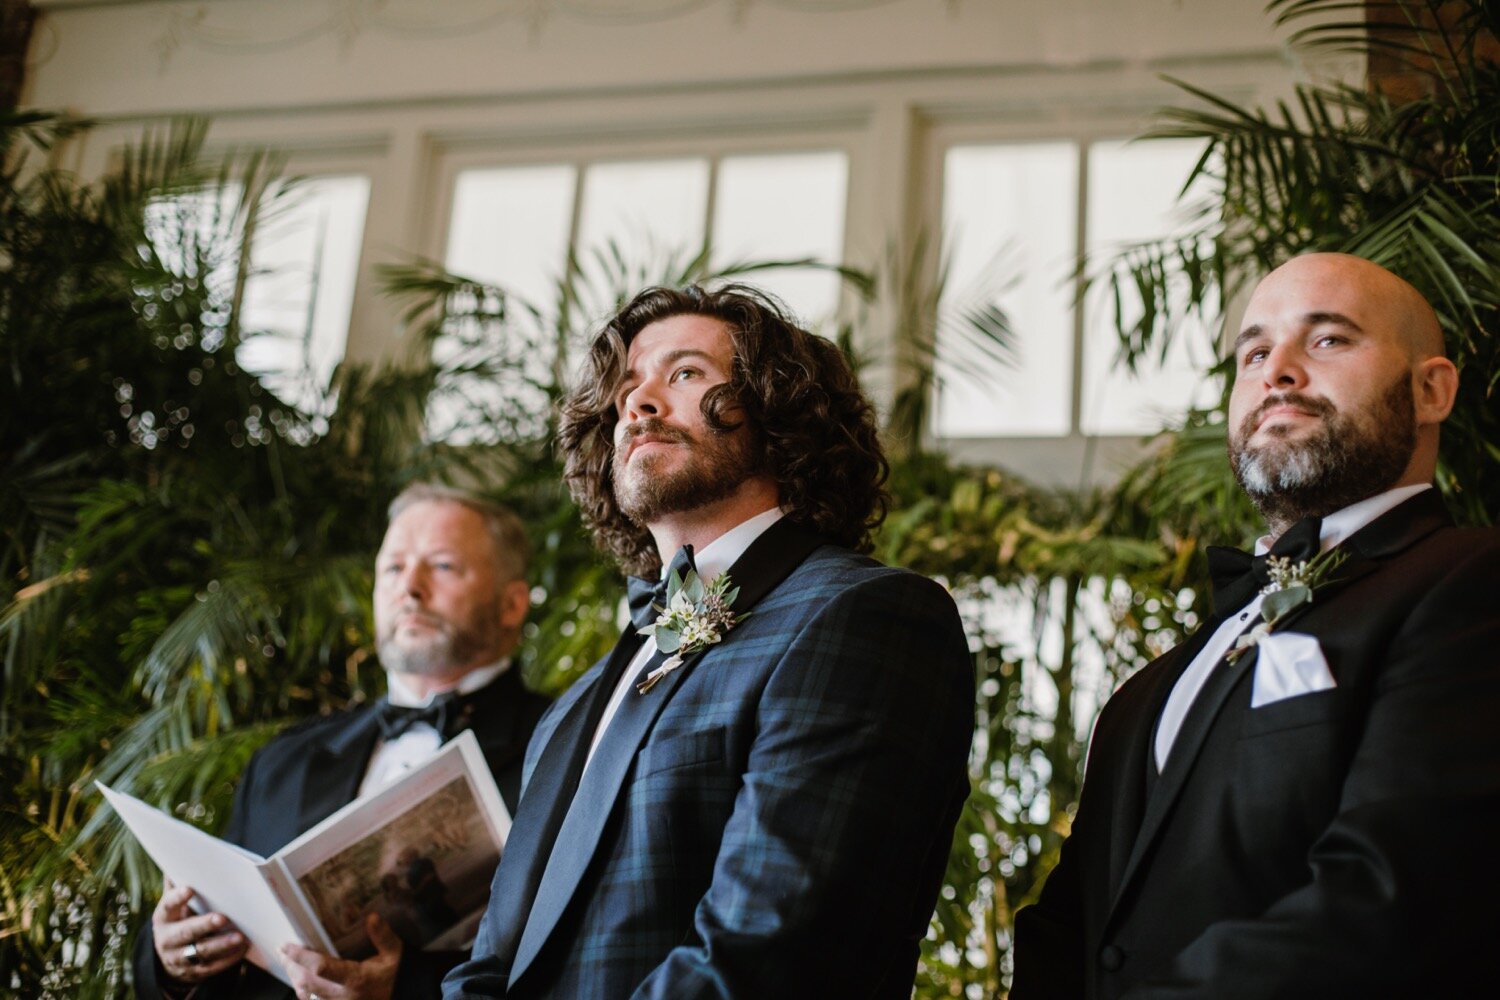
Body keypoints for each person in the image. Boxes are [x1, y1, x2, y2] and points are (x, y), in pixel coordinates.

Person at [443, 284, 974, 998]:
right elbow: (494, 962)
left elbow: (769, 953)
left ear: (780, 409)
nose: (639, 403)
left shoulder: (867, 615)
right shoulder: (576, 704)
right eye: (626, 388)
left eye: (685, 373)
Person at [1010, 253, 1500, 998]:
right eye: (1255, 353)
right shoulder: (1147, 692)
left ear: (1431, 389)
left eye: (1328, 340)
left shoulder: (1471, 583)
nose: (1280, 372)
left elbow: (1395, 896)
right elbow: (1070, 929)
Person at [134, 484, 552, 1000]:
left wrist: (405, 989)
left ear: (512, 604)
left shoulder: (568, 743)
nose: (411, 588)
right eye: (394, 568)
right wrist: (174, 959)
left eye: (442, 566)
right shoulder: (285, 760)